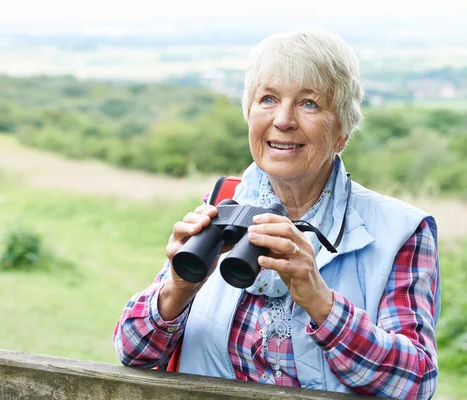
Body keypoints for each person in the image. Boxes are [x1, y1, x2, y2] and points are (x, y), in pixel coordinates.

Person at [113, 29, 440, 400]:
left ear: (343, 132)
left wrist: (321, 302)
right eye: (268, 99)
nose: (283, 120)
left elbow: (416, 383)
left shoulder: (402, 231)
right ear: (249, 115)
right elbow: (132, 352)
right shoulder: (222, 207)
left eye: (309, 104)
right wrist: (178, 286)